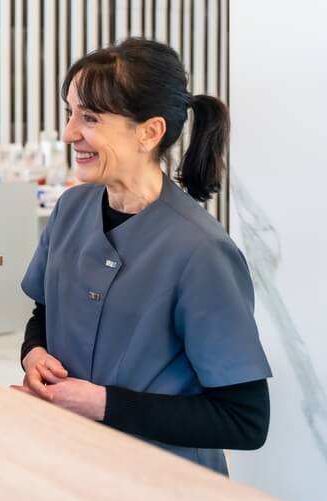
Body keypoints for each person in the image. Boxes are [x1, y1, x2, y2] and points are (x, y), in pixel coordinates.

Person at [15, 38, 272, 474]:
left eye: (90, 117)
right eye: (70, 113)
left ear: (149, 132)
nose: (69, 132)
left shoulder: (200, 250)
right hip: (70, 463)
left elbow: (244, 420)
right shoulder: (70, 211)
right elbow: (44, 310)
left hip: (165, 491)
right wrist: (33, 353)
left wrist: (101, 403)